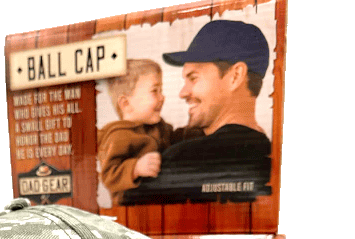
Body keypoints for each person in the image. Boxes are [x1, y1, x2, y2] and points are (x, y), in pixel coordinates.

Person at [124, 20, 272, 203]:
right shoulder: (272, 157)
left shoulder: (181, 160)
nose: (182, 93)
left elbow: (125, 211)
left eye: (193, 78)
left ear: (235, 76)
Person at [97, 59, 185, 205]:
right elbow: (109, 176)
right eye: (154, 91)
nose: (162, 97)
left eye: (161, 90)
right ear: (126, 103)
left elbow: (174, 139)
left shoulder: (158, 126)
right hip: (131, 205)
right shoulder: (118, 135)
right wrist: (135, 168)